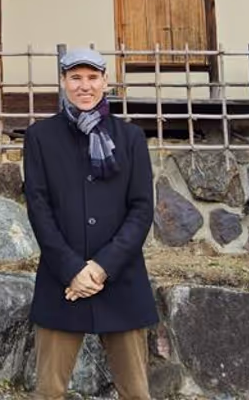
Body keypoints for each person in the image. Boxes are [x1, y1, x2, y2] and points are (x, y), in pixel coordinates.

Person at [22, 47, 158, 400]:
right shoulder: (40, 137)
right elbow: (39, 208)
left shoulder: (130, 138)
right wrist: (72, 270)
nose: (85, 86)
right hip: (62, 281)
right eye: (76, 78)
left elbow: (141, 209)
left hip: (120, 277)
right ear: (64, 82)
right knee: (49, 391)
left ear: (105, 82)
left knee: (137, 392)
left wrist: (100, 267)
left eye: (92, 77)